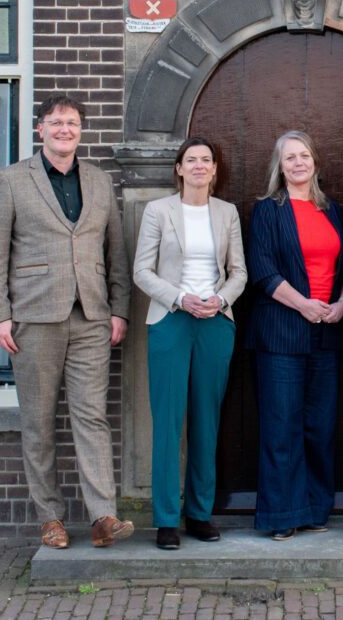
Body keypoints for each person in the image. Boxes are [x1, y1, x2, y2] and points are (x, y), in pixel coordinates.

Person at [0, 94, 134, 550]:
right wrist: (0, 314)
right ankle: (50, 518)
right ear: (40, 129)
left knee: (92, 417)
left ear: (81, 130)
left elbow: (116, 251)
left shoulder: (99, 181)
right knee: (39, 421)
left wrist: (119, 309)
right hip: (33, 317)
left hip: (92, 316)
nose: (64, 129)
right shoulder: (11, 180)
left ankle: (103, 516)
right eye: (56, 122)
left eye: (72, 123)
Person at [132, 137, 247, 551]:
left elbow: (239, 271)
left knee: (206, 421)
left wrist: (221, 299)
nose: (199, 166)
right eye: (191, 160)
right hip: (171, 321)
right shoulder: (158, 210)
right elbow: (142, 271)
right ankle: (166, 519)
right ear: (179, 169)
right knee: (167, 421)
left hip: (215, 323)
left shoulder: (227, 212)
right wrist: (181, 299)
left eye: (206, 160)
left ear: (214, 169)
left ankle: (199, 513)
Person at [245, 130, 343, 540]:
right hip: (281, 332)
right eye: (290, 157)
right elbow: (263, 271)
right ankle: (282, 515)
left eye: (304, 155)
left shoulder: (331, 210)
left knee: (320, 426)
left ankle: (315, 509)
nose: (298, 163)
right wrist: (303, 304)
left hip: (327, 332)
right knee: (282, 427)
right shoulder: (268, 211)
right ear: (280, 165)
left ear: (315, 161)